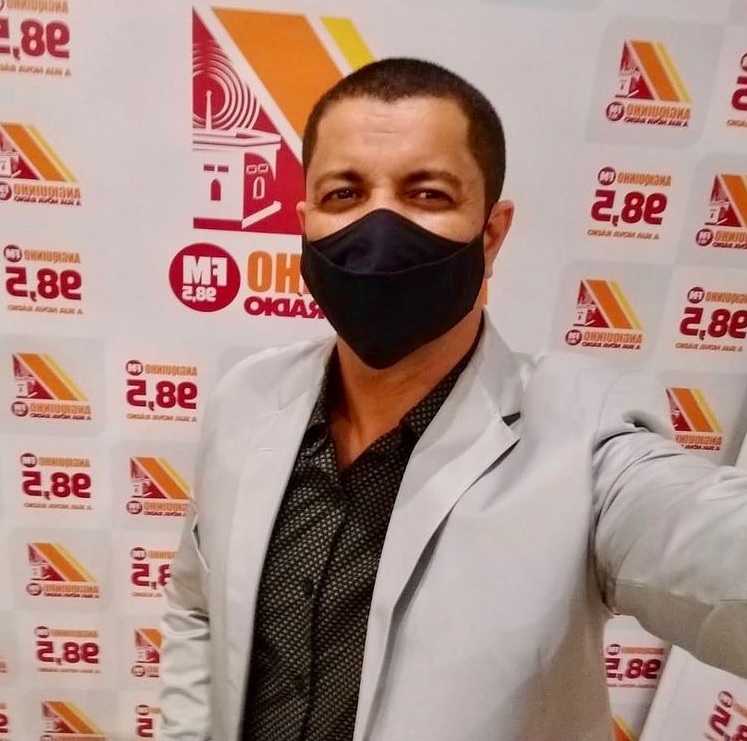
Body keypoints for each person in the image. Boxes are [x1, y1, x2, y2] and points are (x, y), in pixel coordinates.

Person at [157, 58, 747, 741]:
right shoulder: (246, 397)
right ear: (304, 220)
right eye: (344, 194)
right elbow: (198, 604)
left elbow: (699, 537)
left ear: (490, 234)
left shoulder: (586, 441)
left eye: (427, 194)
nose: (378, 228)